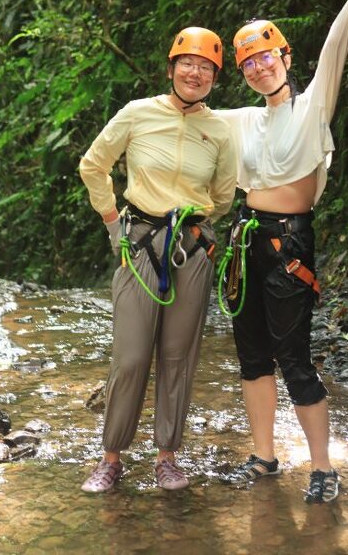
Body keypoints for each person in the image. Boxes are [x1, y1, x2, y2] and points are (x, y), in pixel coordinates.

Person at [216, 0, 348, 503]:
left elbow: (336, 45)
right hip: (245, 239)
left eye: (265, 56)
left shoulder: (312, 107)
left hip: (288, 245)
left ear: (285, 57)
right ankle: (264, 456)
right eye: (248, 61)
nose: (257, 67)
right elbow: (187, 117)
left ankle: (323, 467)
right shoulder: (242, 120)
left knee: (293, 355)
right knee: (252, 355)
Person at [78, 27, 237, 493]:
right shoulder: (138, 114)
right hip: (139, 242)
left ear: (214, 78)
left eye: (205, 67)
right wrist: (113, 225)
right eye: (187, 64)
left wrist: (193, 221)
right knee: (130, 358)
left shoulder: (219, 130)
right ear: (171, 69)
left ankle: (167, 456)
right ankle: (111, 457)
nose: (195, 73)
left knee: (176, 358)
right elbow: (94, 164)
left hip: (191, 247)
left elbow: (223, 196)